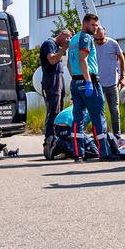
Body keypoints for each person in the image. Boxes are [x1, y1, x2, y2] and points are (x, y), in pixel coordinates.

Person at [68, 13, 110, 161]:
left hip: (75, 82)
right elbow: (83, 59)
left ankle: (77, 153)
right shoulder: (86, 38)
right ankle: (104, 153)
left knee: (77, 119)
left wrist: (75, 79)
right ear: (85, 24)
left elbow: (69, 63)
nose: (95, 28)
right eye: (93, 25)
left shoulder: (73, 39)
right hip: (88, 81)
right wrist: (88, 82)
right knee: (98, 116)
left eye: (97, 25)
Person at [39, 28, 70, 159]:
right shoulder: (50, 43)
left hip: (58, 80)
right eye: (67, 37)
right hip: (51, 81)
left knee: (59, 111)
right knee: (53, 111)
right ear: (62, 35)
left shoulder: (56, 46)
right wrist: (64, 49)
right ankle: (49, 140)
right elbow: (52, 60)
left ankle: (56, 141)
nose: (68, 41)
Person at [94, 24, 125, 143]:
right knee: (99, 110)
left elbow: (121, 58)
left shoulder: (113, 43)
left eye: (101, 39)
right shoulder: (92, 45)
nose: (99, 42)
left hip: (112, 83)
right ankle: (102, 135)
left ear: (105, 35)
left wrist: (122, 75)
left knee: (114, 110)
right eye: (97, 39)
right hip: (98, 83)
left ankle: (117, 136)